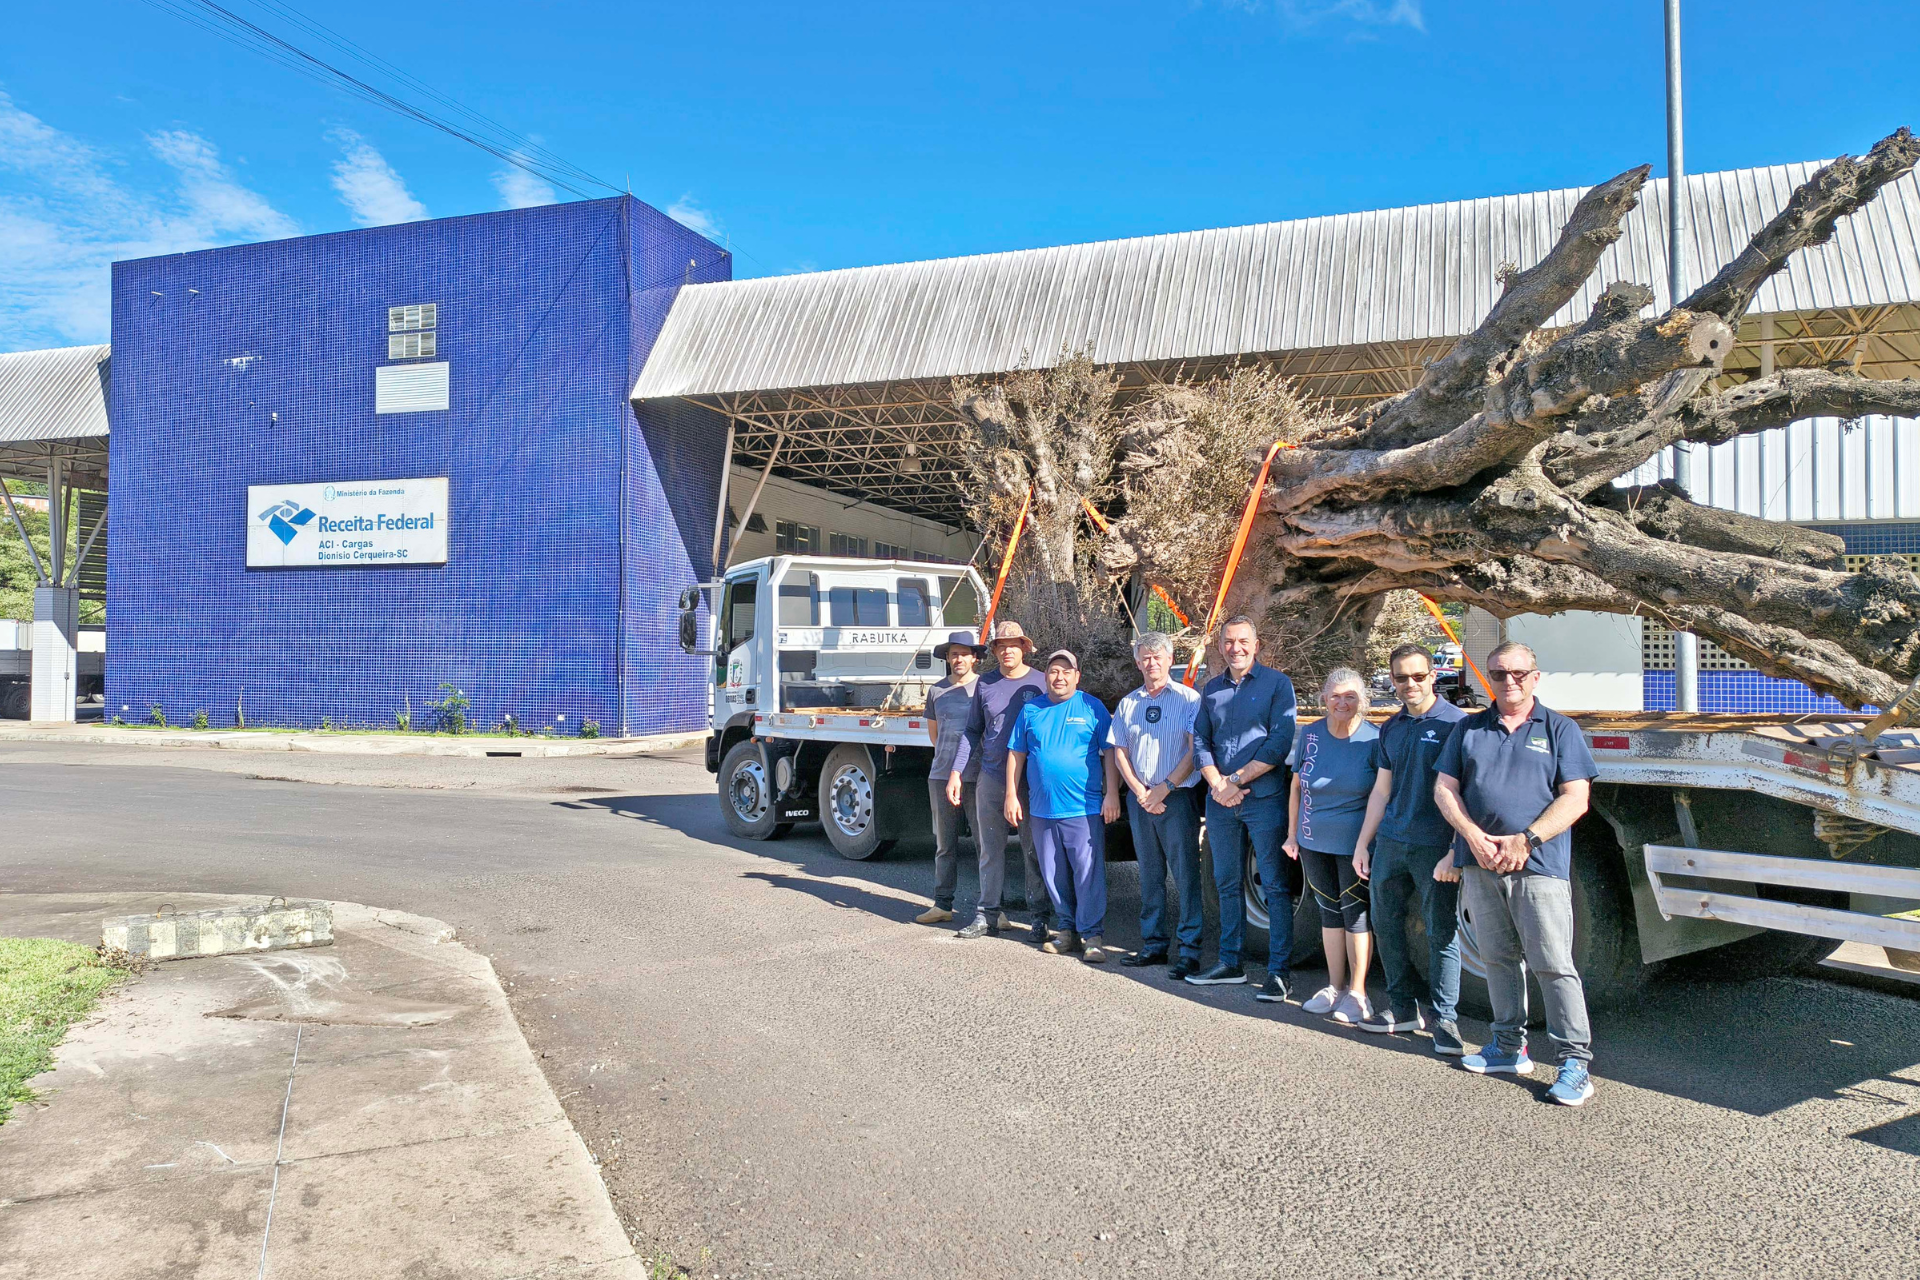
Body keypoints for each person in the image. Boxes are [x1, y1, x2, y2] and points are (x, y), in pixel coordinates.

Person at [1434, 641, 1600, 1107]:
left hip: (1537, 866)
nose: (1510, 682)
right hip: (1482, 863)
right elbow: (1445, 789)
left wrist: (1526, 839)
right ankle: (1507, 1047)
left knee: (1552, 964)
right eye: (1500, 673)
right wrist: (1470, 836)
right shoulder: (1468, 729)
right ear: (1488, 677)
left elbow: (1575, 798)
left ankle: (1574, 1063)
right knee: (1498, 959)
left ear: (1536, 676)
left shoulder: (1561, 730)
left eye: (1519, 673)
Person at [1353, 642, 1470, 1053]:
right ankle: (1402, 1008)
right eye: (1401, 678)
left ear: (1433, 676)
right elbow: (1381, 791)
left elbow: (1469, 794)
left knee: (1441, 933)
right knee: (1385, 926)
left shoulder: (1459, 725)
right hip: (1390, 842)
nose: (1410, 684)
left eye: (1418, 676)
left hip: (1435, 847)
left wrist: (1456, 850)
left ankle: (1445, 1021)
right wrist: (1364, 844)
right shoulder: (1391, 727)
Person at [1188, 616, 1299, 999]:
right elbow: (1200, 741)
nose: (1236, 647)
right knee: (1226, 883)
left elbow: (1279, 743)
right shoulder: (1211, 689)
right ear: (1221, 646)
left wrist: (1234, 781)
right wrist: (1218, 784)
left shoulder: (1276, 685)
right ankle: (1229, 963)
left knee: (1275, 886)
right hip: (1220, 803)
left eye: (1243, 641)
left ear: (1257, 644)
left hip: (1263, 800)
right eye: (1229, 641)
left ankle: (1278, 973)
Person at [1005, 649, 1121, 962]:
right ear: (1046, 677)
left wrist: (1112, 794)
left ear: (1077, 676)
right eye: (1054, 671)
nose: (1060, 677)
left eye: (1066, 671)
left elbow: (1109, 752)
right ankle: (1066, 931)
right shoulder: (1031, 710)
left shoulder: (1091, 707)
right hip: (1042, 810)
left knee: (1087, 874)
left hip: (1083, 809)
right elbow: (1017, 753)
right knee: (1053, 873)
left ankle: (1092, 936)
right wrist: (1011, 795)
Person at [1283, 668, 1379, 1025]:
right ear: (1324, 698)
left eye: (1350, 696)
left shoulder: (1373, 740)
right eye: (1335, 696)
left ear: (1362, 701)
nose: (1342, 703)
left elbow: (1380, 796)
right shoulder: (1310, 735)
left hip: (1354, 846)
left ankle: (1358, 994)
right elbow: (1296, 789)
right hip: (1312, 841)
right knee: (1328, 913)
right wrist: (1293, 835)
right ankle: (1334, 987)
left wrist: (1366, 844)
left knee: (1355, 915)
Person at [1109, 632, 1205, 979]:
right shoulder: (1129, 703)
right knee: (1149, 875)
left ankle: (1190, 950)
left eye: (1157, 657)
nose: (1151, 663)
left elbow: (1195, 751)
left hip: (1176, 798)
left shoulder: (1189, 699)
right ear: (1137, 662)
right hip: (1141, 798)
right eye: (1145, 657)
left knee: (1185, 875)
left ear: (1169, 659)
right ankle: (1154, 945)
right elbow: (1119, 749)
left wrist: (1164, 789)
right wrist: (1138, 790)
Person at [951, 621, 1050, 941]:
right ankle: (986, 914)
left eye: (1014, 644)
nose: (1008, 650)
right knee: (989, 850)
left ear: (1024, 647)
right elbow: (972, 731)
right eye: (1001, 645)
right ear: (993, 651)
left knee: (1034, 850)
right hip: (991, 778)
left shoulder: (1042, 682)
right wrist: (956, 771)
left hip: (1032, 782)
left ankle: (1040, 918)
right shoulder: (985, 684)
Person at [918, 631, 984, 927]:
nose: (958, 659)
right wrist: (947, 763)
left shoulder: (985, 688)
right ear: (947, 658)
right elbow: (935, 735)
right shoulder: (936, 691)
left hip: (979, 775)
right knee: (945, 844)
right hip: (941, 775)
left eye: (964, 653)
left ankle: (992, 908)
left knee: (986, 845)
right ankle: (943, 904)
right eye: (953, 654)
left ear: (974, 657)